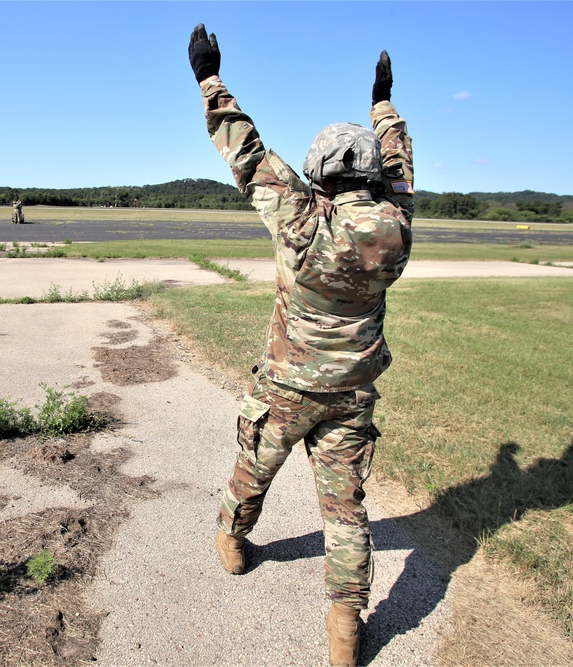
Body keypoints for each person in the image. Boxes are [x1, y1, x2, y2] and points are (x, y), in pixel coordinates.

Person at [188, 24, 414, 667]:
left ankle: (233, 543)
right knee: (345, 508)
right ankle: (345, 623)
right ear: (372, 173)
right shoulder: (396, 223)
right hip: (351, 394)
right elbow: (398, 166)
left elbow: (245, 150)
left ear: (318, 174)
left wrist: (209, 76)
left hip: (287, 386)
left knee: (253, 468)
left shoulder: (299, 214)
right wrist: (384, 104)